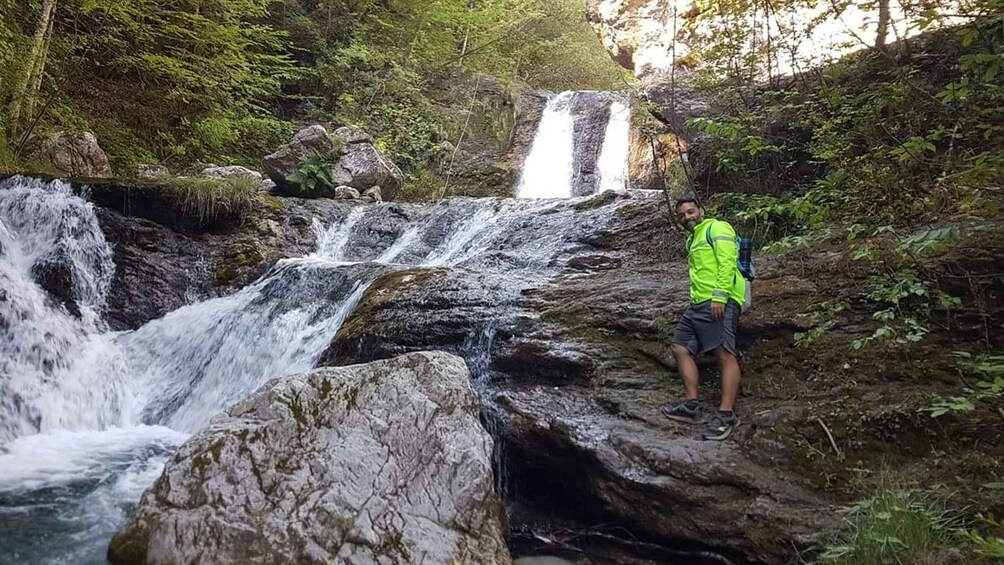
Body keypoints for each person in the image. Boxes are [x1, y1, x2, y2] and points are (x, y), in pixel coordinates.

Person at [662, 198, 745, 441]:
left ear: (701, 211)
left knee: (725, 354)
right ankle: (690, 405)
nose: (687, 217)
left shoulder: (716, 228)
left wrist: (720, 296)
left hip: (720, 301)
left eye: (691, 211)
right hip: (698, 304)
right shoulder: (693, 238)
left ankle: (727, 415)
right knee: (680, 347)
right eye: (682, 215)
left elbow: (727, 260)